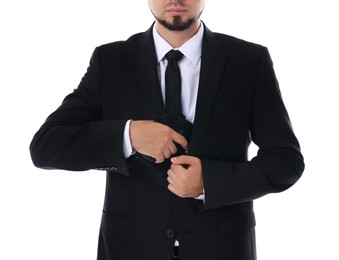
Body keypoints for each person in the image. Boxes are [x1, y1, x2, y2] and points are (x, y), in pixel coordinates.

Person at [30, 0, 305, 259]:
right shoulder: (110, 61)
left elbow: (286, 161)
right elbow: (46, 147)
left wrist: (211, 182)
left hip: (221, 249)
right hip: (129, 248)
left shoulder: (248, 61)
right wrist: (129, 136)